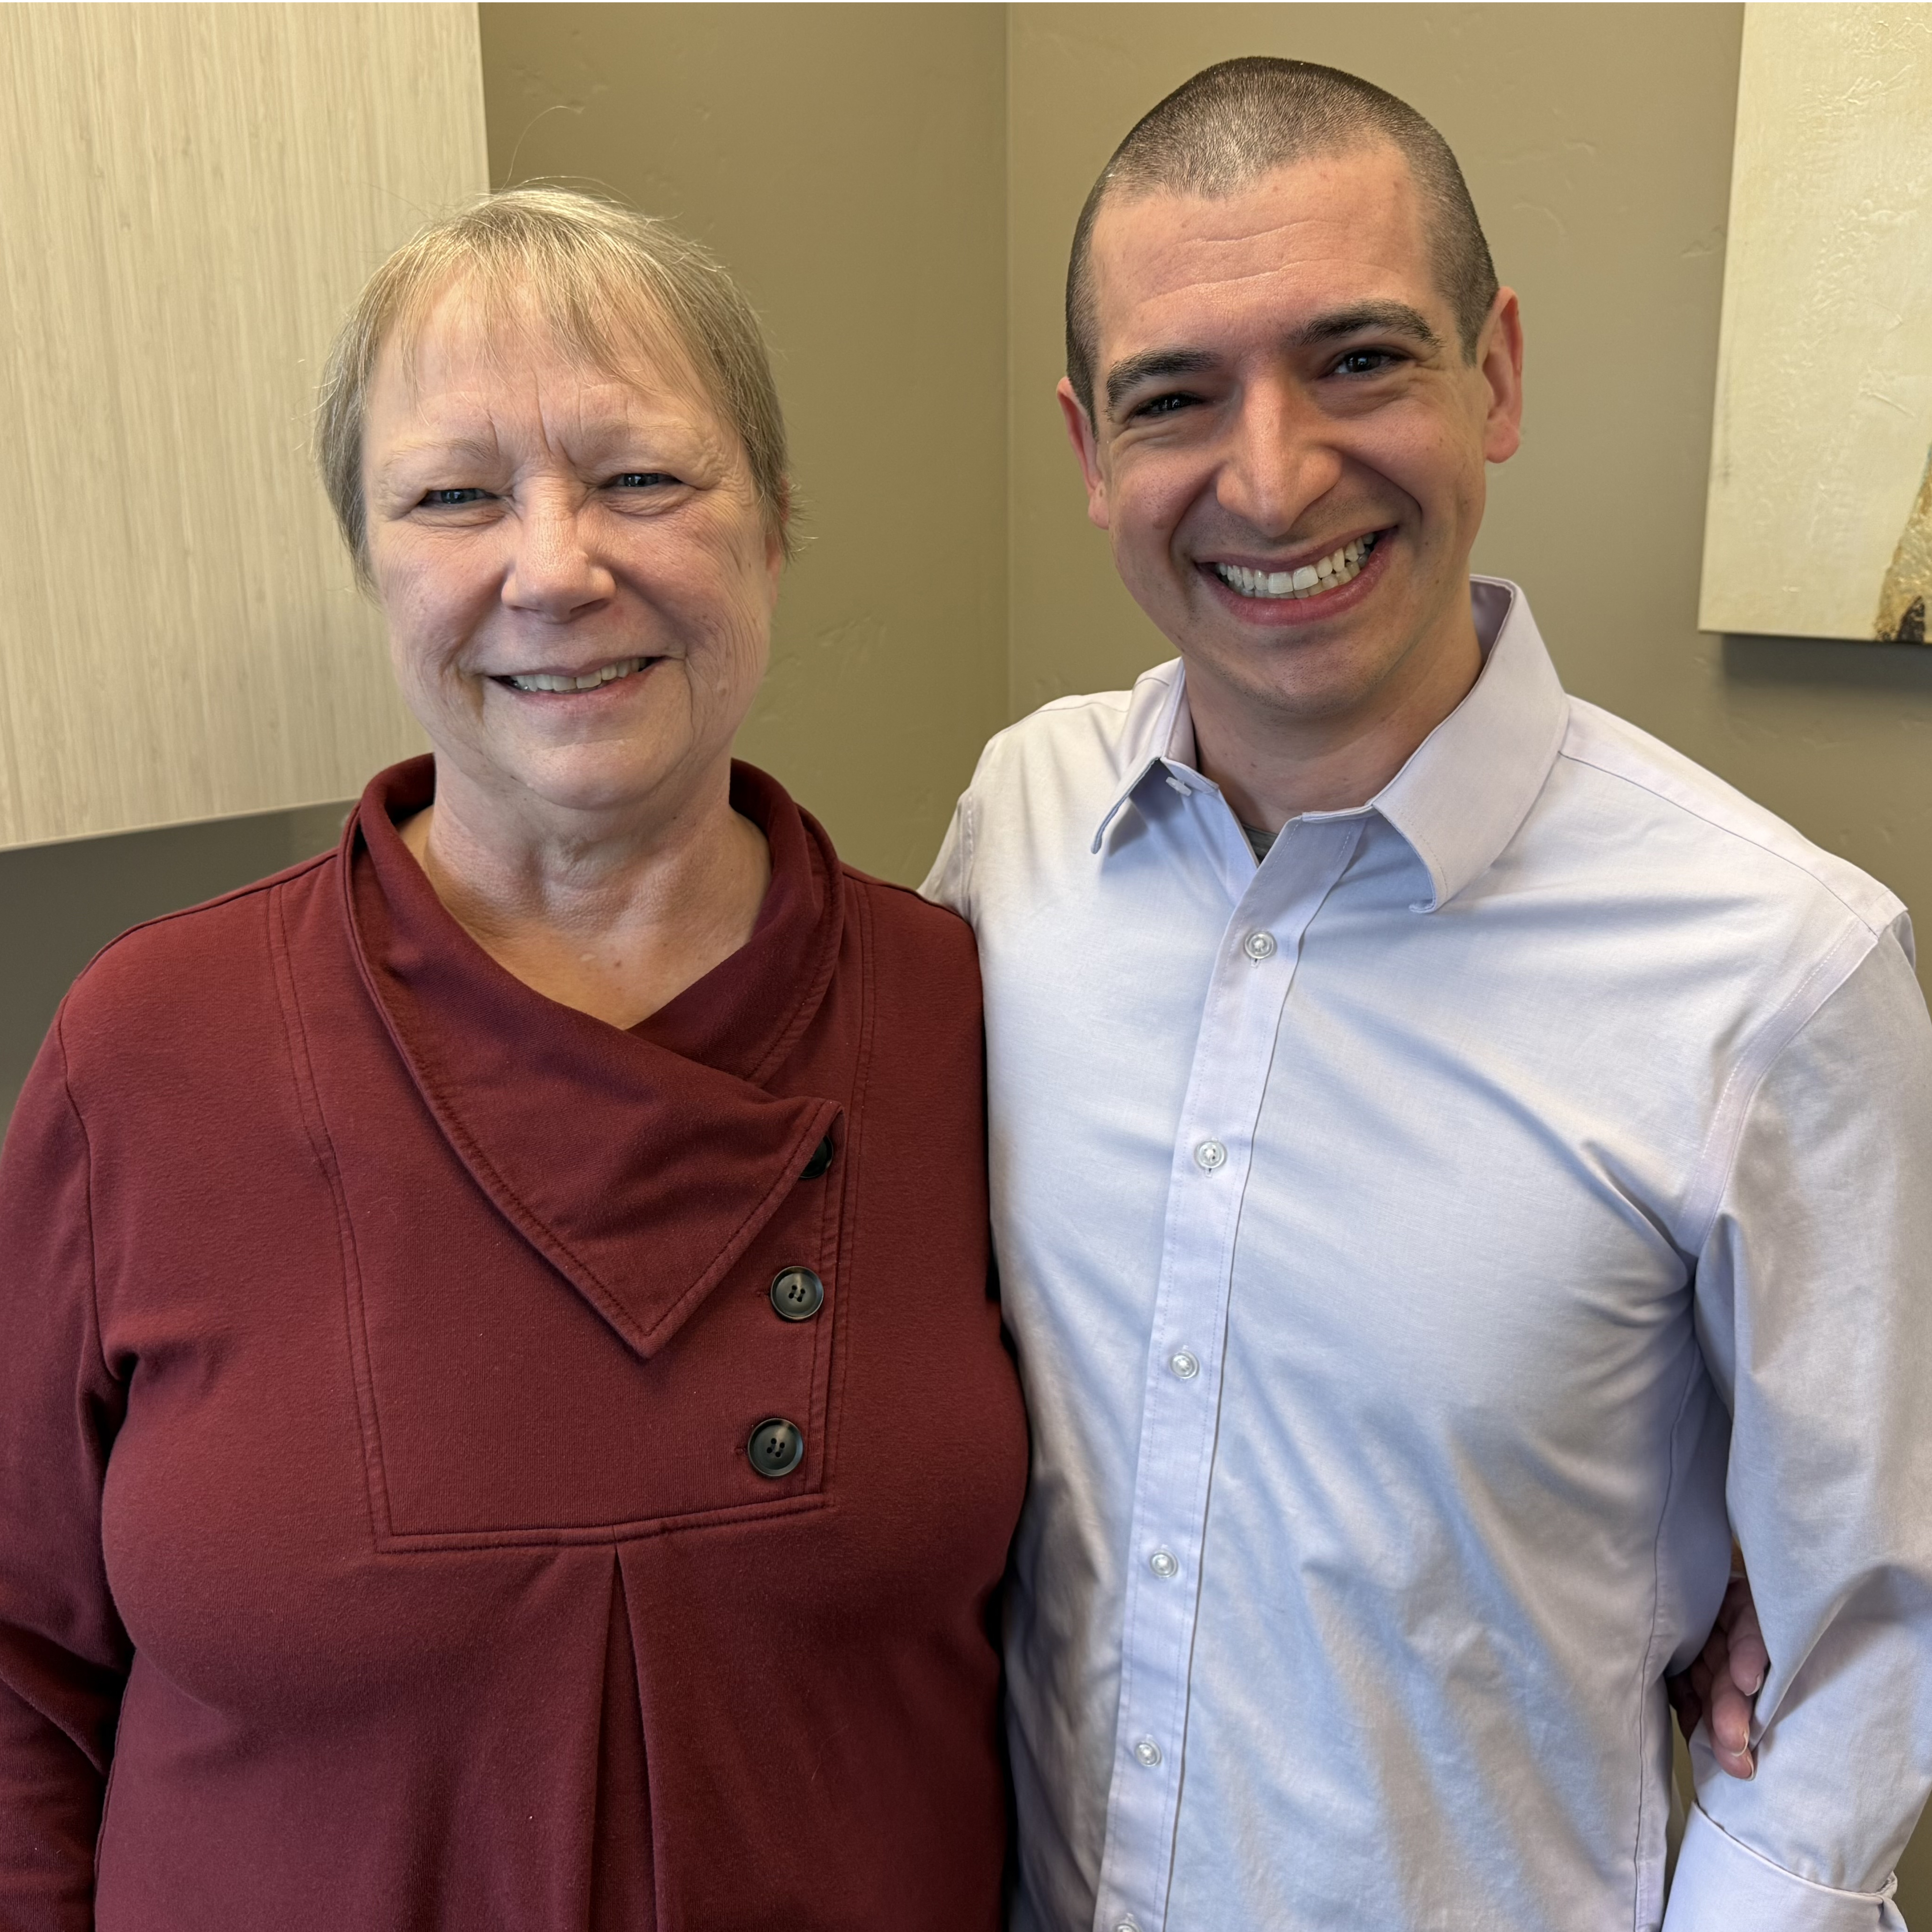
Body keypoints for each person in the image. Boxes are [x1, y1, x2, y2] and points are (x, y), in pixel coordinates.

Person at [924, 57, 1932, 1932]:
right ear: (1086, 450)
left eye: (1360, 359)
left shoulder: (1776, 970)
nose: (1273, 471)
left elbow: (1869, 1642)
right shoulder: (1021, 827)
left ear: (1499, 373)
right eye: (1174, 397)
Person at [0, 189, 1025, 1928]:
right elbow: (17, 1665)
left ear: (775, 528)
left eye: (642, 479)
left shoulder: (966, 1016)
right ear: (373, 561)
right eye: (454, 497)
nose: (554, 568)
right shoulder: (145, 1052)